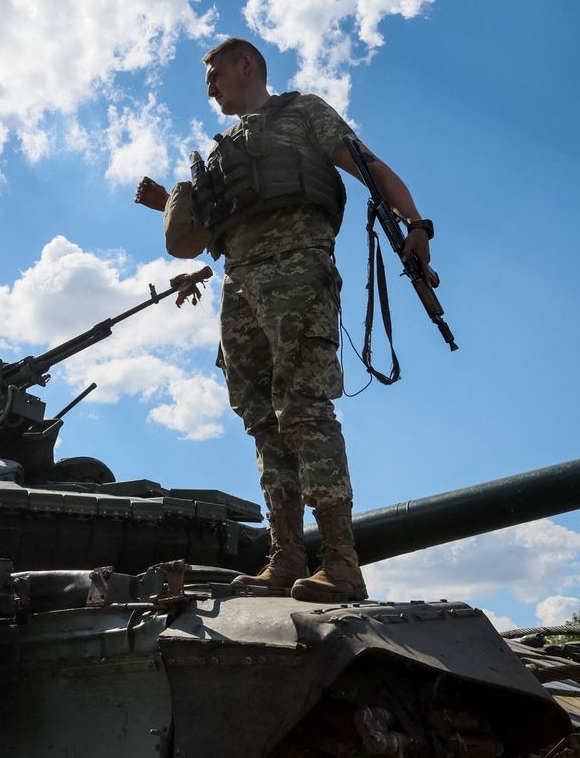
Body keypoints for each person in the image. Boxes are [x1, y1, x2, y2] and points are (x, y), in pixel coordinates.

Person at [135, 37, 437, 603]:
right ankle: (286, 556)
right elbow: (198, 235)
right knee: (263, 424)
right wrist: (168, 206)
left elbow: (367, 167)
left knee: (303, 410)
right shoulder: (222, 149)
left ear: (246, 64)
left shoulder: (302, 112)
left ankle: (342, 563)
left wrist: (417, 223)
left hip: (297, 270)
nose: (209, 87)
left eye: (215, 74)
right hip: (239, 285)